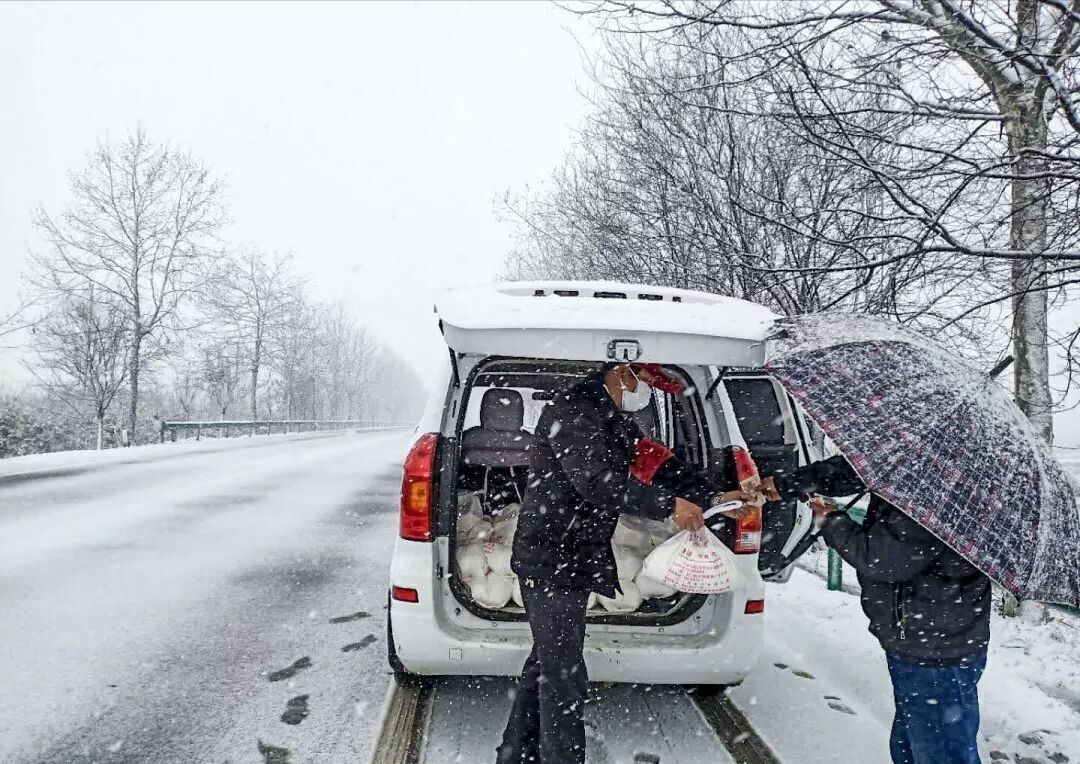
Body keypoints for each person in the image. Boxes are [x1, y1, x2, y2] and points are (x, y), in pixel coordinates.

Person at [496, 362, 753, 764]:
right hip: (549, 558)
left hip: (574, 558)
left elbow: (655, 462)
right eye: (648, 381)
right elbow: (595, 481)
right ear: (622, 371)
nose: (649, 389)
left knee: (547, 664)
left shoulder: (610, 416)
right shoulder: (575, 411)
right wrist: (668, 507)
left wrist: (711, 497)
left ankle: (514, 756)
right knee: (563, 677)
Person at [799, 455, 992, 764]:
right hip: (932, 640)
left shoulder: (935, 486)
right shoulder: (936, 474)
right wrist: (802, 481)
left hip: (934, 649)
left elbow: (884, 558)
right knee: (914, 745)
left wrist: (831, 520)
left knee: (937, 751)